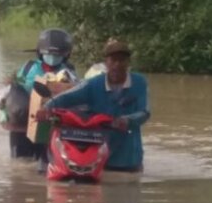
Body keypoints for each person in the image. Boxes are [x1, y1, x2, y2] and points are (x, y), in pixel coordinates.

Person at [37, 39, 150, 173]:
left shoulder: (139, 83)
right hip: (100, 156)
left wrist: (127, 120)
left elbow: (145, 112)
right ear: (106, 62)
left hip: (129, 158)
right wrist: (47, 107)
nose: (117, 65)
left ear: (128, 63)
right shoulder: (93, 84)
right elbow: (67, 96)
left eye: (122, 60)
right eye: (113, 60)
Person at [10, 28, 77, 170]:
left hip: (52, 126)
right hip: (24, 126)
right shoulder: (29, 68)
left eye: (56, 54)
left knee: (48, 166)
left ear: (66, 55)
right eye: (49, 54)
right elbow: (16, 90)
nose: (52, 57)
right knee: (20, 166)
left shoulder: (69, 73)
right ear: (40, 53)